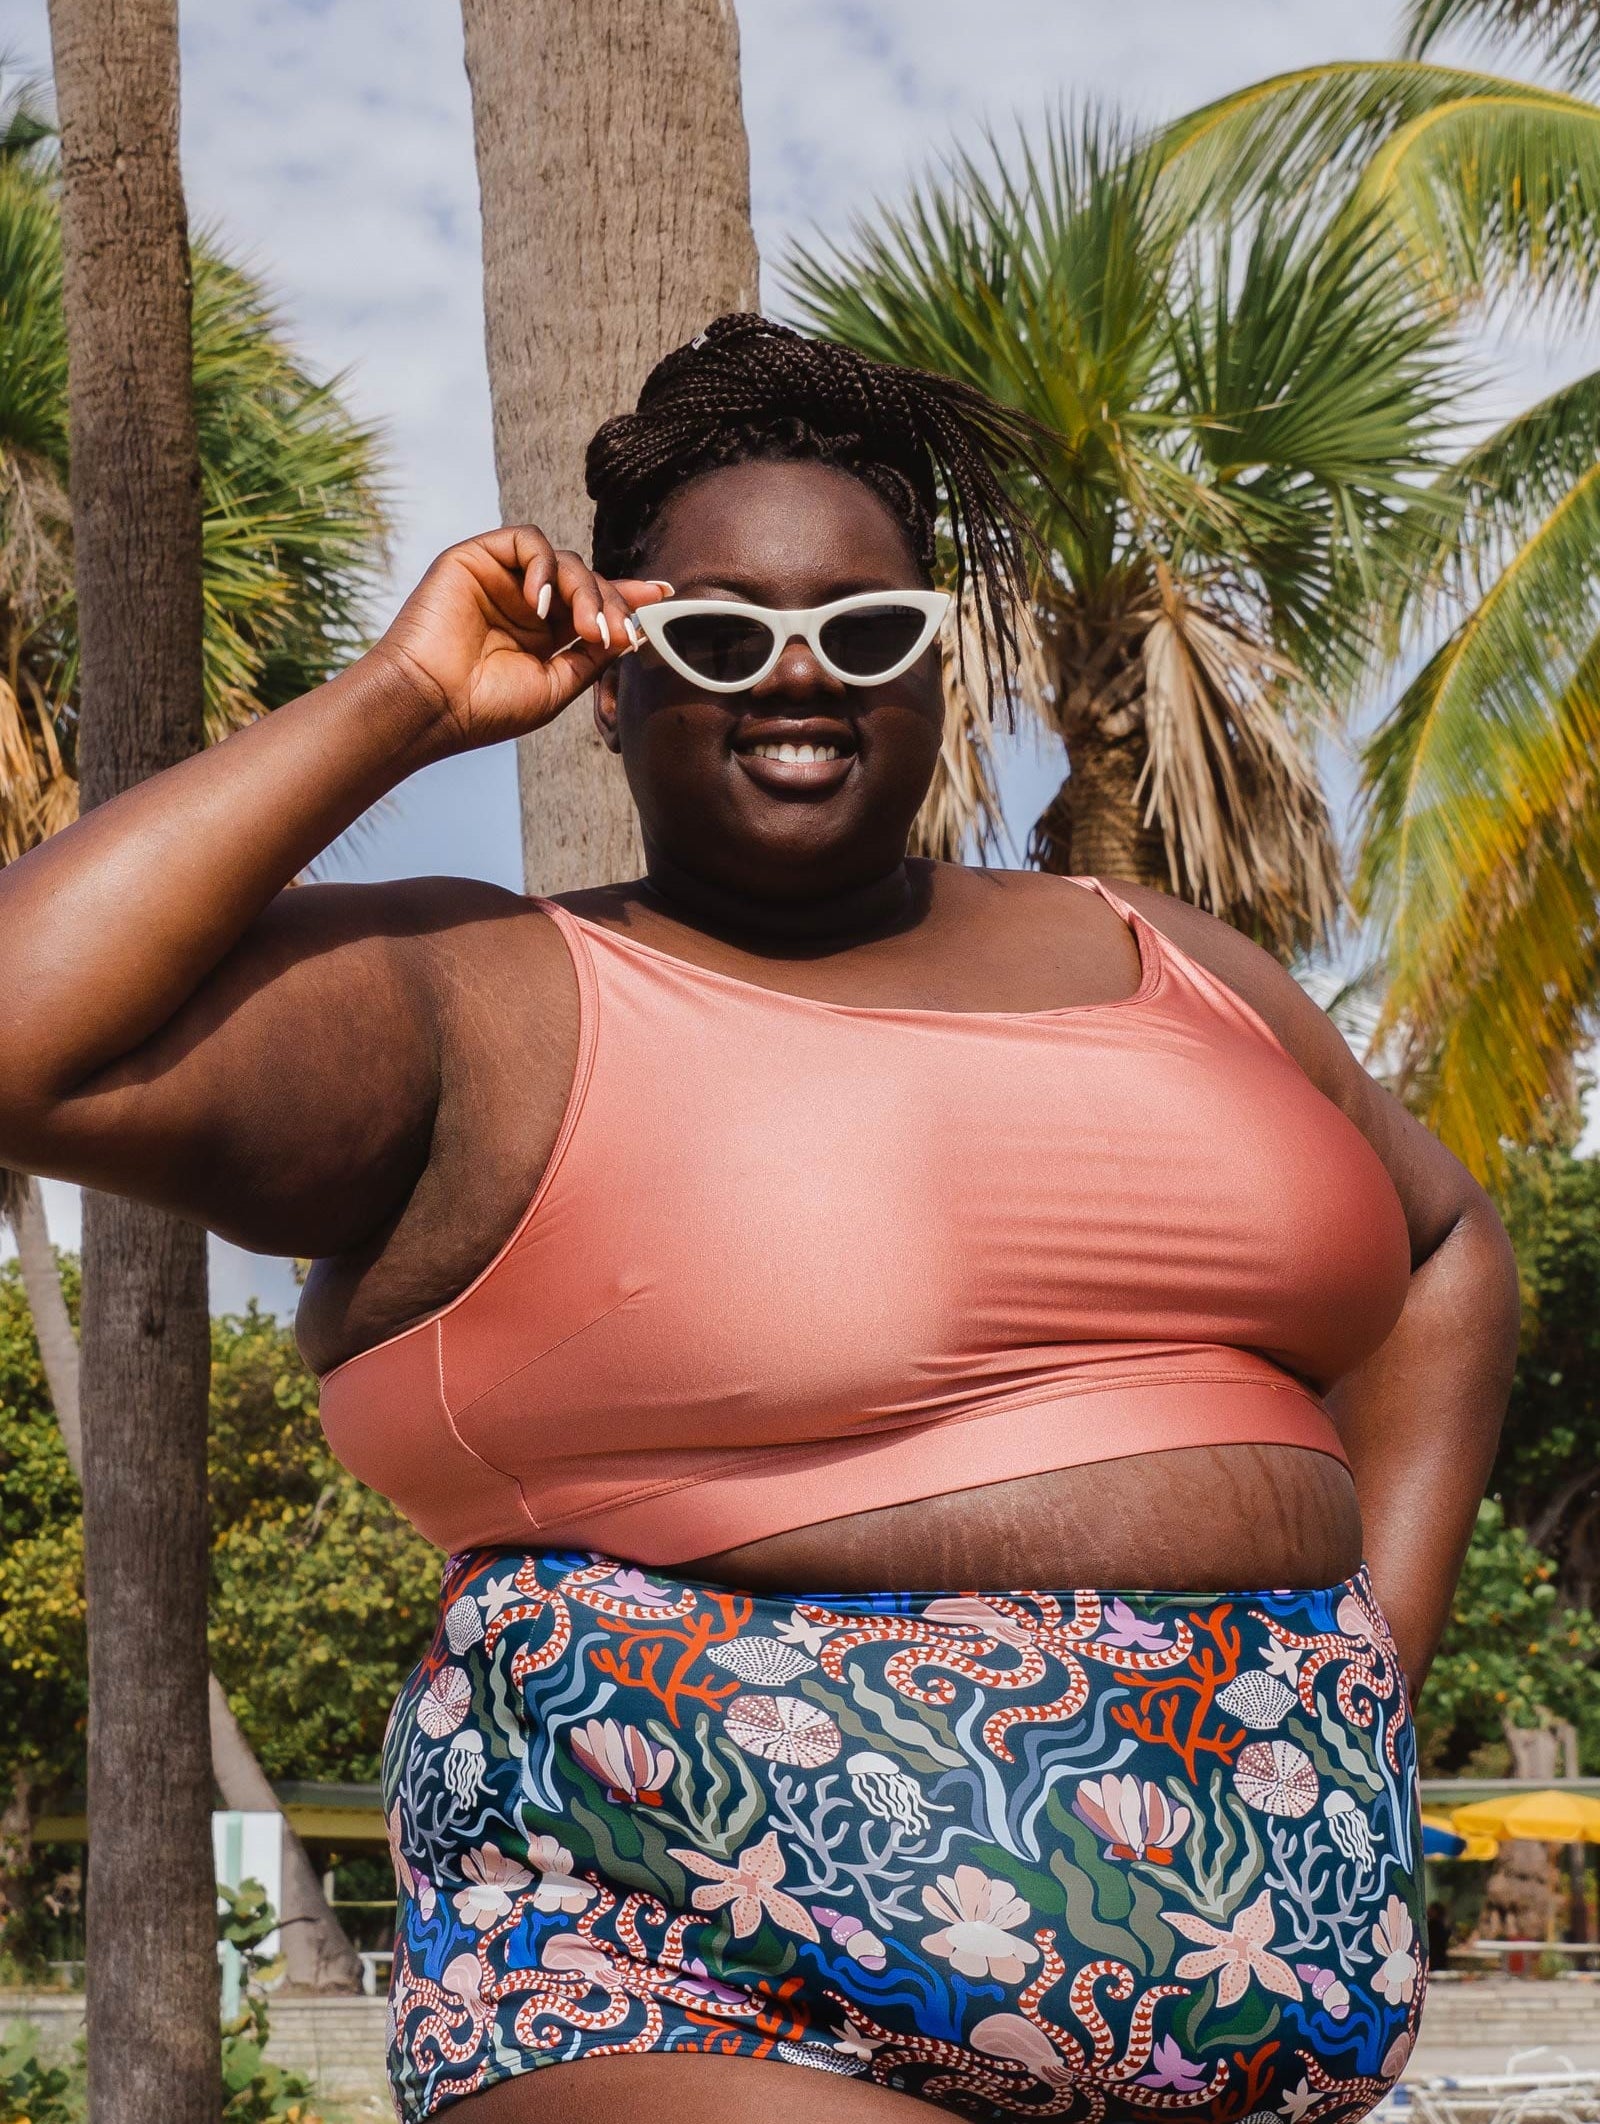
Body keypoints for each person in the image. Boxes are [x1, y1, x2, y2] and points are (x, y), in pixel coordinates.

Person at [0, 314, 1518, 2124]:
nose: (797, 676)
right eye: (719, 634)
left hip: (1279, 1980)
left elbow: (1443, 1251)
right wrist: (400, 698)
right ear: (614, 663)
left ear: (939, 673)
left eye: (865, 632)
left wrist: (1367, 1680)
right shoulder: (477, 994)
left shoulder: (1174, 959)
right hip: (672, 1972)